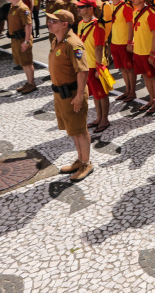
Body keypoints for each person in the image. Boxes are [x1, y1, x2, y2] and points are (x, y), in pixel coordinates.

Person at [46, 9, 94, 182]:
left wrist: (80, 95)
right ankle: (80, 160)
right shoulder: (56, 40)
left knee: (80, 130)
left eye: (54, 21)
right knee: (73, 130)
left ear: (64, 24)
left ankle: (86, 163)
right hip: (61, 94)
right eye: (49, 20)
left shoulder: (73, 44)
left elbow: (82, 72)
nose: (49, 23)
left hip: (73, 93)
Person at [75, 0, 111, 133]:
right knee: (96, 94)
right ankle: (99, 117)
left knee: (102, 94)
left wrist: (98, 66)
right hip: (86, 64)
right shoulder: (80, 24)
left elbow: (99, 48)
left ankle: (105, 120)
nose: (78, 9)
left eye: (82, 7)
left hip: (96, 65)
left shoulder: (98, 26)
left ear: (91, 9)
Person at [128, 0, 155, 112]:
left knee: (153, 77)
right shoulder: (135, 12)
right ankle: (152, 99)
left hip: (148, 52)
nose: (132, 0)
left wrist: (153, 53)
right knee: (145, 76)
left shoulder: (151, 13)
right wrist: (130, 42)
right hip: (138, 51)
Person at [4, 0, 37, 94]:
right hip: (15, 39)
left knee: (27, 62)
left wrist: (26, 41)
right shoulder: (12, 6)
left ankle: (32, 84)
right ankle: (28, 82)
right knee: (23, 62)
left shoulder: (23, 8)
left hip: (23, 38)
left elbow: (28, 25)